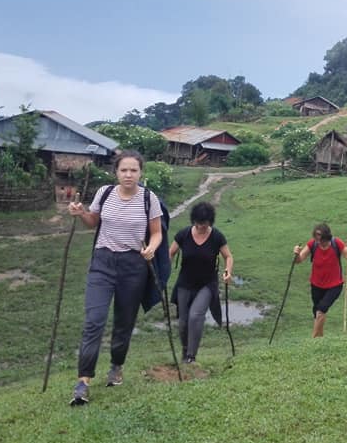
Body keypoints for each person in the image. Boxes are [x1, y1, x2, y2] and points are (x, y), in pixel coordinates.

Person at [67, 150, 163, 405]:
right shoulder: (105, 193)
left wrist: (151, 248)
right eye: (124, 170)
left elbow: (156, 232)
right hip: (103, 262)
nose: (129, 174)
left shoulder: (148, 198)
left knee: (124, 322)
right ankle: (83, 382)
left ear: (141, 172)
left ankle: (116, 366)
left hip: (133, 266)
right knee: (94, 321)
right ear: (116, 172)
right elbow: (91, 222)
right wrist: (80, 214)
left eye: (133, 170)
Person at [168, 202, 233, 379]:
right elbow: (170, 253)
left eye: (204, 224)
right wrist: (161, 269)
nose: (201, 227)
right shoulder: (183, 234)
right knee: (183, 323)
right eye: (198, 223)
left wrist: (228, 271)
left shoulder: (216, 237)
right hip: (185, 283)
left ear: (210, 222)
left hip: (207, 284)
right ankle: (184, 350)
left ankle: (191, 356)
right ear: (193, 221)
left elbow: (228, 256)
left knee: (196, 316)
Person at [293, 223, 347, 337]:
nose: (318, 241)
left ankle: (313, 339)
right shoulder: (313, 244)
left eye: (320, 239)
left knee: (321, 310)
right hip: (316, 285)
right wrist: (297, 254)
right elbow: (299, 260)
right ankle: (320, 339)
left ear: (326, 237)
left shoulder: (336, 243)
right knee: (317, 313)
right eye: (316, 238)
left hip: (334, 285)